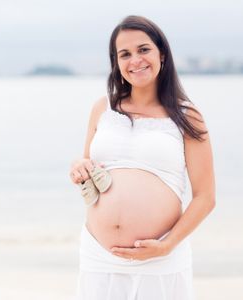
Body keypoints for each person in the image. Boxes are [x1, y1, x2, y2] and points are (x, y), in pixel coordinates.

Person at [69, 15, 215, 300]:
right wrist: (79, 167)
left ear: (161, 53)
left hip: (160, 259)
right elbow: (87, 165)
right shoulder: (103, 108)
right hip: (99, 255)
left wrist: (167, 245)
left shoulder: (187, 117)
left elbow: (205, 197)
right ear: (116, 62)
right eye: (125, 54)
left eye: (143, 49)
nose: (135, 60)